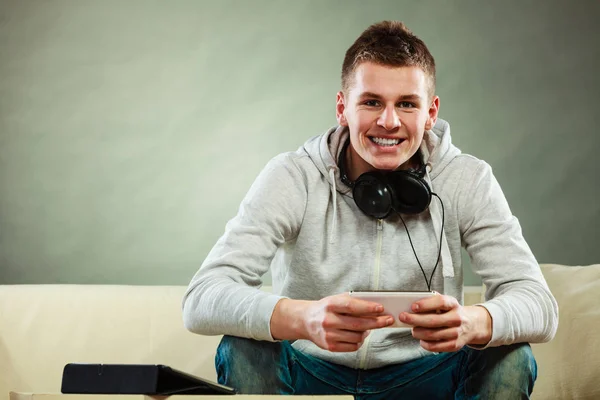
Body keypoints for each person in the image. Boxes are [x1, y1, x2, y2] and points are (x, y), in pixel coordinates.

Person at [182, 20, 558, 399]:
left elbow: (539, 303)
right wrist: (304, 318)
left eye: (407, 104)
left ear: (431, 112)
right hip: (312, 370)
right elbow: (202, 297)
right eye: (372, 101)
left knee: (512, 357)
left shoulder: (468, 179)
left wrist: (474, 322)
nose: (389, 121)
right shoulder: (292, 176)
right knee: (241, 347)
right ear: (343, 107)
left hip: (427, 372)